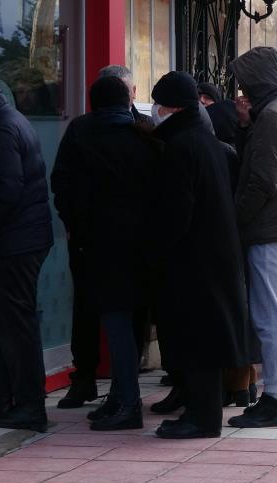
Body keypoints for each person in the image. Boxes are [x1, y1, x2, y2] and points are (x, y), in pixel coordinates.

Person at [147, 72, 251, 438]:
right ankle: (197, 412)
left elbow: (177, 211)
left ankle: (201, 418)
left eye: (159, 105)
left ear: (171, 107)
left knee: (198, 341)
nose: (155, 111)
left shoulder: (183, 144)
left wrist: (159, 250)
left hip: (194, 262)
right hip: (212, 257)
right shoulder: (202, 138)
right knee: (203, 338)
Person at [53, 76, 160, 430]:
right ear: (126, 100)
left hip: (96, 244)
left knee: (111, 317)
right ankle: (119, 396)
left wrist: (75, 226)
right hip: (140, 244)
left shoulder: (82, 133)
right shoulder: (144, 135)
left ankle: (126, 402)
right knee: (129, 320)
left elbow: (62, 185)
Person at [0, 59, 54, 431]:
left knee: (13, 325)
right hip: (16, 241)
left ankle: (29, 405)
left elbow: (6, 189)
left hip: (14, 243)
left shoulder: (1, 129)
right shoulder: (6, 122)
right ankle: (0, 398)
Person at [226, 47, 277, 426]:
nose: (242, 90)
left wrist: (238, 218)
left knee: (269, 316)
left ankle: (274, 397)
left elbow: (262, 179)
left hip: (268, 229)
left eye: (245, 81)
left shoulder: (273, 116)